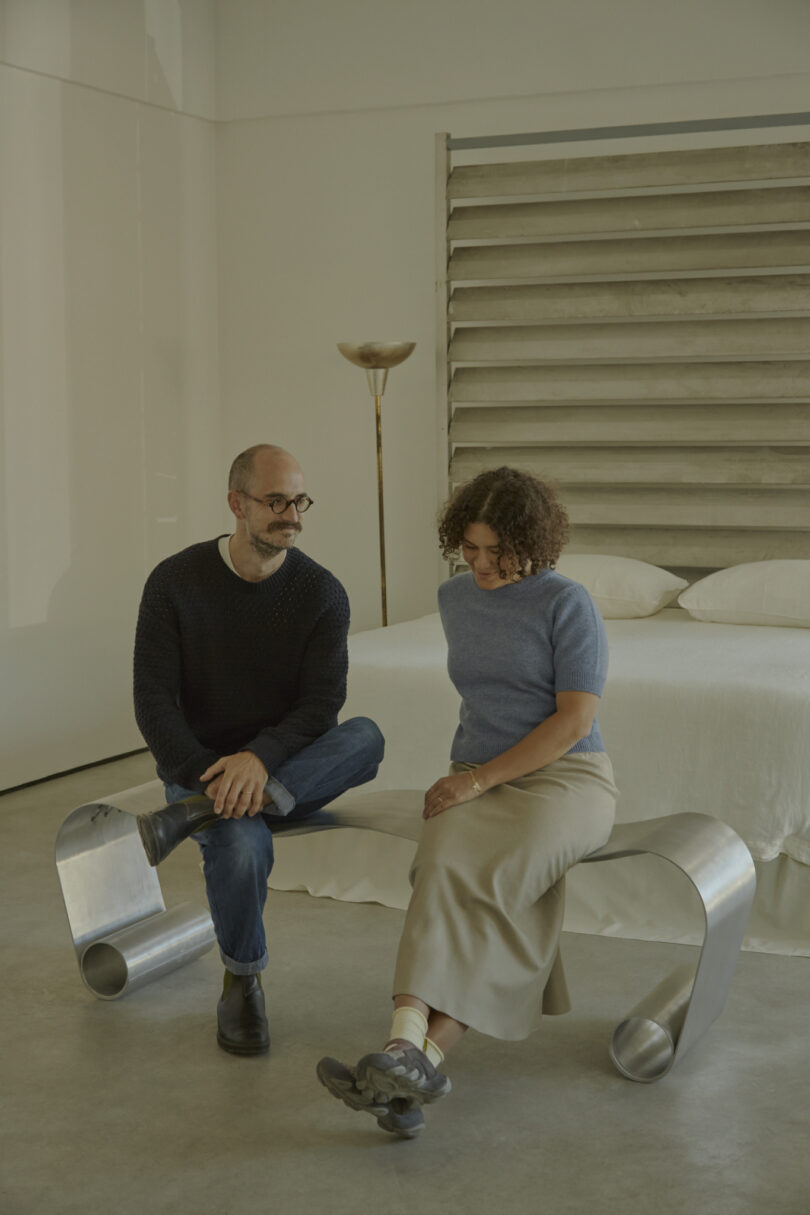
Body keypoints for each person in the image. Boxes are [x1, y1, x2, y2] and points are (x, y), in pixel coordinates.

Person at [317, 466, 618, 1138]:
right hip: (474, 771)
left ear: (531, 540)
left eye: (497, 550)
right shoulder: (455, 598)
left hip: (568, 779)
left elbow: (571, 721)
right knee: (441, 869)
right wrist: (471, 775)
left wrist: (477, 783)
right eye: (470, 549)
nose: (481, 564)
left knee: (499, 885)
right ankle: (402, 1052)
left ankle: (419, 1059)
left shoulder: (568, 604)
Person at [133, 444, 384, 1057]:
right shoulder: (175, 581)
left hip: (282, 769)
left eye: (298, 501)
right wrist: (207, 774)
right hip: (201, 768)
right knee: (243, 849)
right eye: (275, 501)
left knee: (366, 736)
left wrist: (261, 761)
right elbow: (153, 701)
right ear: (236, 503)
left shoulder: (322, 592)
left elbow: (321, 707)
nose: (291, 515)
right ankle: (243, 984)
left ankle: (205, 813)